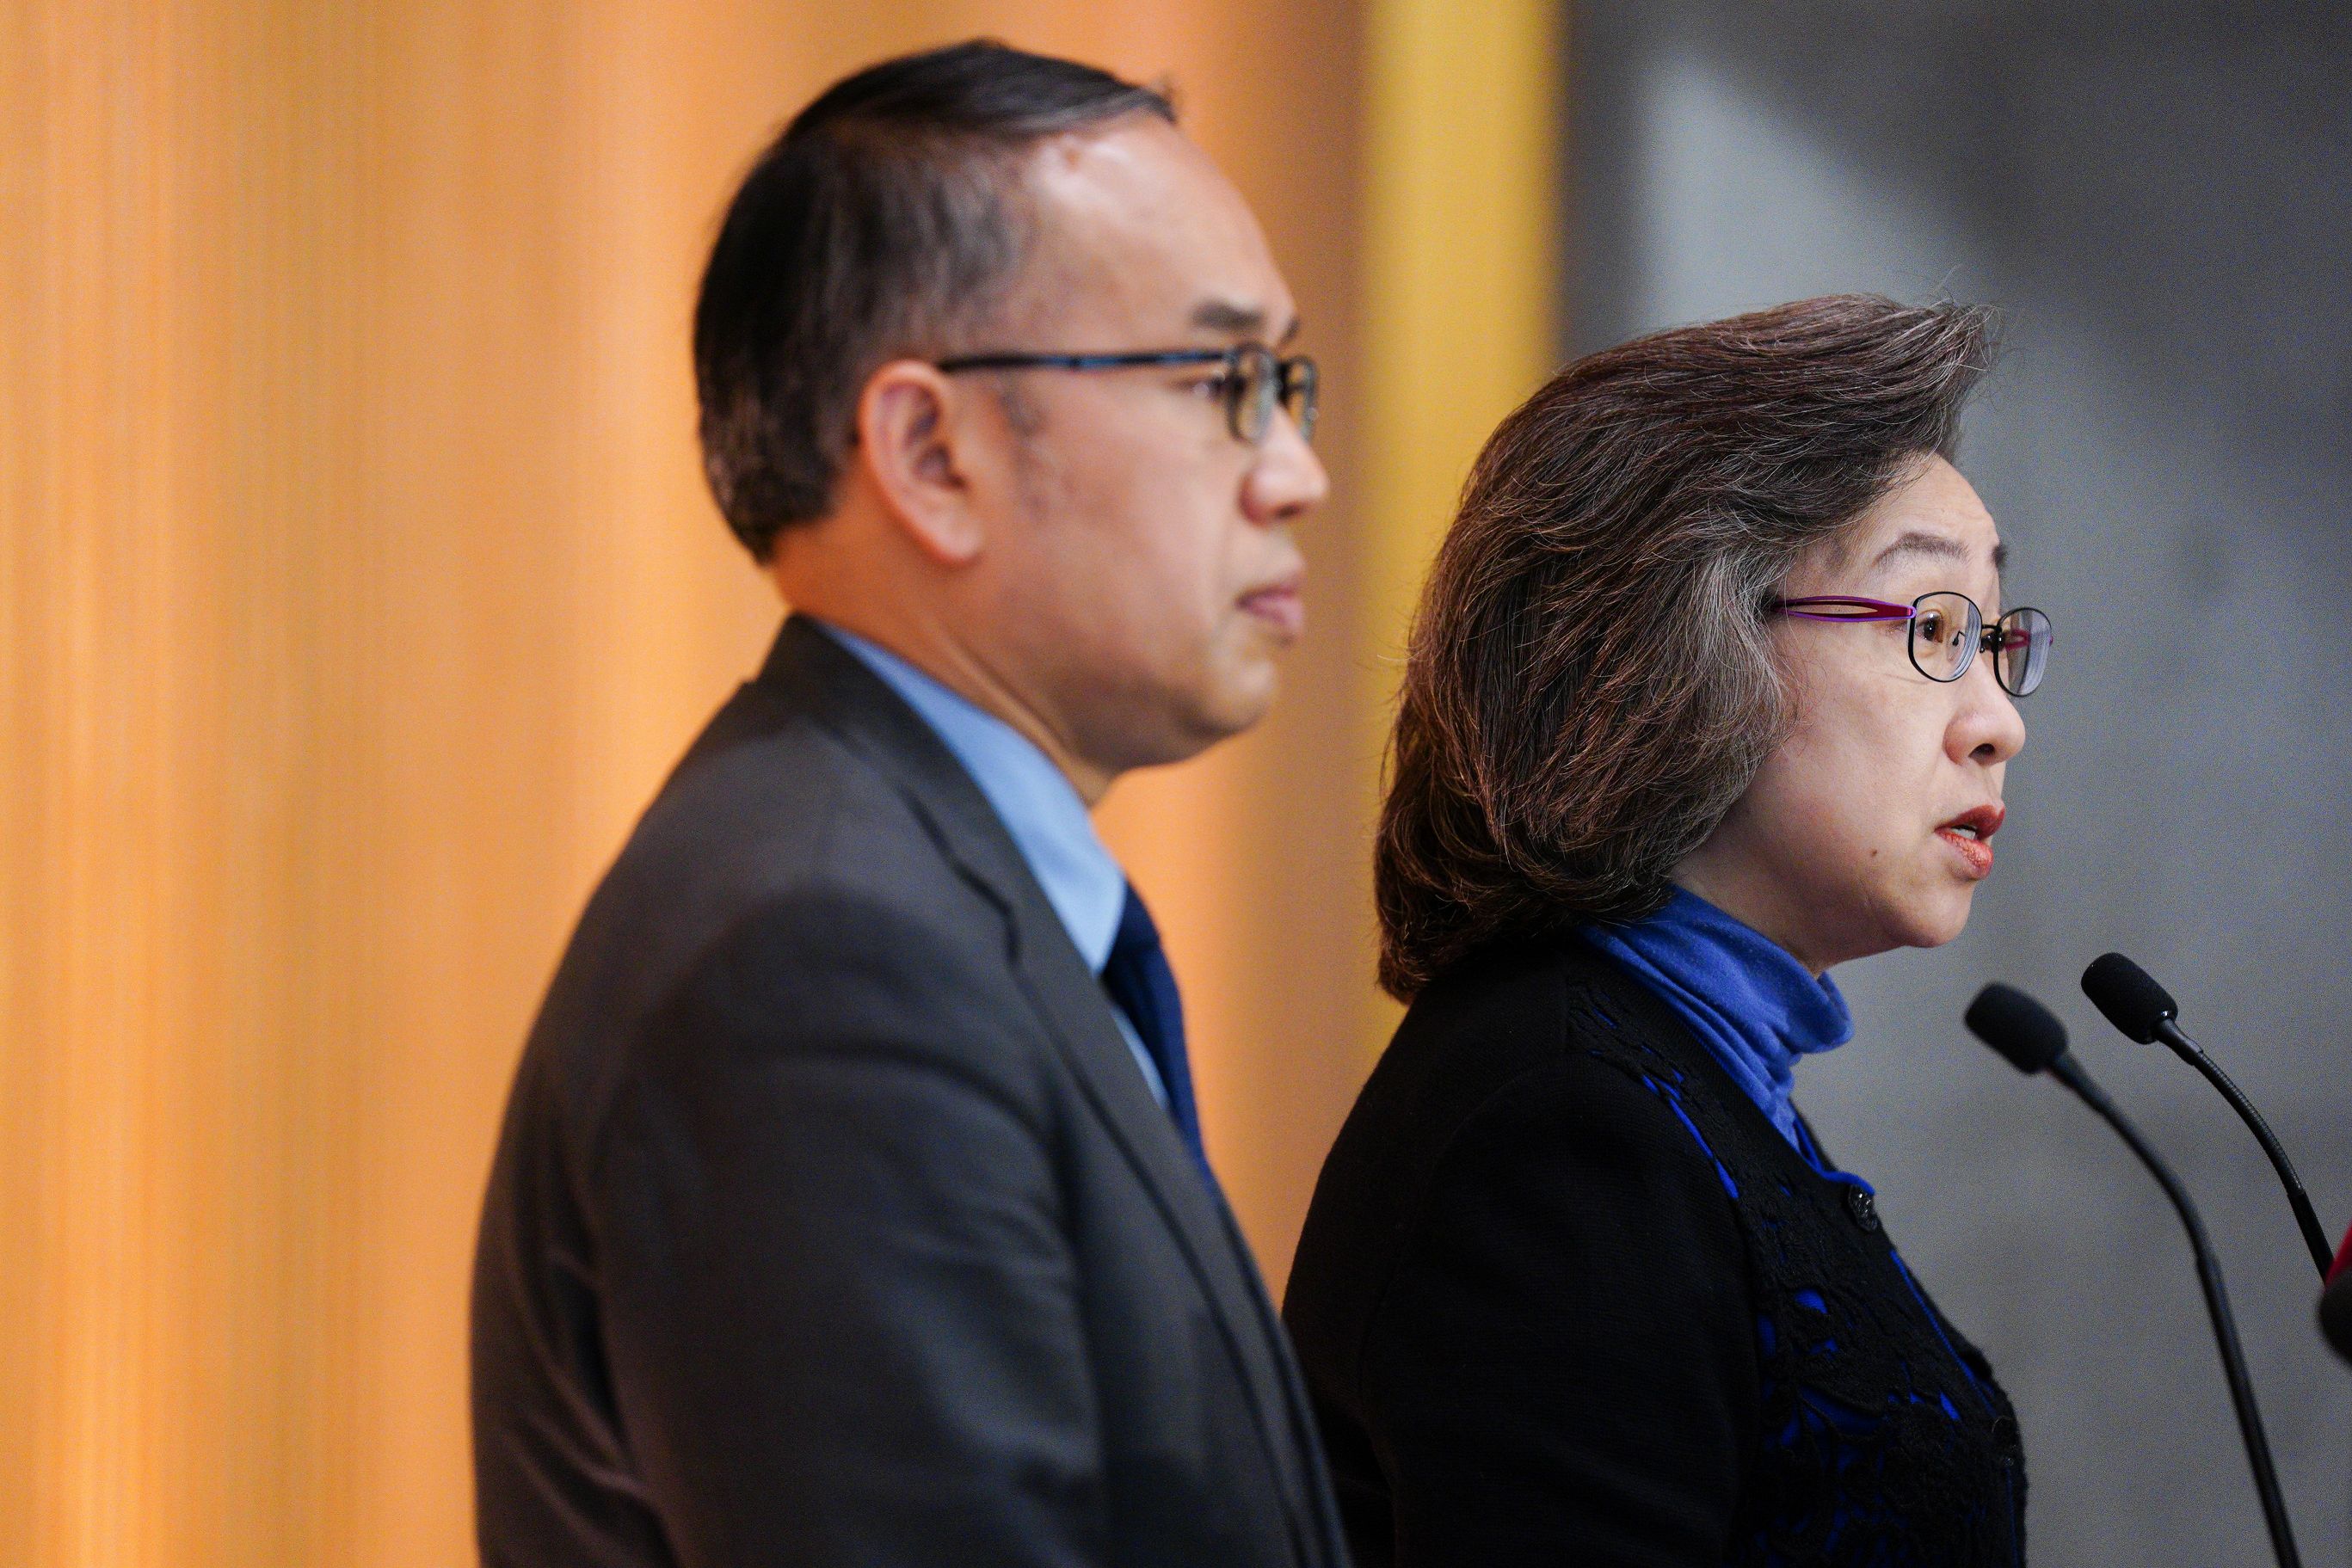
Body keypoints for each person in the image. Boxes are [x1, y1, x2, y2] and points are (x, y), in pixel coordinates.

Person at [471, 40, 1345, 1568]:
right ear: (932, 454)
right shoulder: (821, 956)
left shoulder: (904, 883)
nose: (1293, 474)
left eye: (1287, 384)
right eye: (1220, 384)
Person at [1284, 296, 2051, 1567]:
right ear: (1680, 642)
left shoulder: (1677, 1077)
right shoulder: (1561, 1129)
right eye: (1931, 628)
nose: (1997, 721)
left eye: (1996, 639)